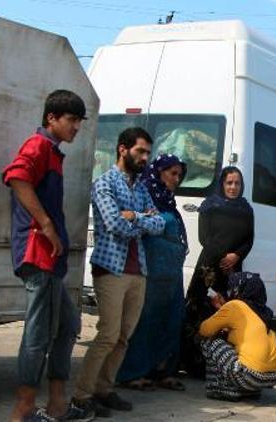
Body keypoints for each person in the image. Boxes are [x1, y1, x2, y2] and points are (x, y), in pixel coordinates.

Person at [1, 90, 87, 422]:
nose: (77, 126)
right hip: (38, 255)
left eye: (80, 120)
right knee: (37, 334)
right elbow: (17, 177)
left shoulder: (53, 152)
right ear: (51, 118)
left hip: (50, 259)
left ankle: (57, 404)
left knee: (67, 326)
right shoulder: (37, 145)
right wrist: (47, 224)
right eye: (72, 119)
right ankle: (23, 410)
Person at [69, 127, 166, 419]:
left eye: (148, 152)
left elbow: (160, 224)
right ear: (123, 149)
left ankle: (103, 389)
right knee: (108, 335)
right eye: (140, 151)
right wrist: (142, 220)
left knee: (124, 336)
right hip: (111, 268)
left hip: (138, 271)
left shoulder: (141, 186)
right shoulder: (105, 184)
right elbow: (115, 224)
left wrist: (134, 216)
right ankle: (81, 395)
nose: (145, 157)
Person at [116, 153, 188, 391]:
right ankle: (135, 372)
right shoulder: (147, 198)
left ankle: (163, 371)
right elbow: (138, 225)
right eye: (172, 173)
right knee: (146, 322)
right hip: (153, 270)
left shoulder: (168, 201)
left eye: (179, 174)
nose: (176, 179)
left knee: (171, 321)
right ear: (158, 173)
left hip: (172, 273)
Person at [182, 166, 255, 377]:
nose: (233, 187)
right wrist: (223, 256)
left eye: (237, 183)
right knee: (200, 310)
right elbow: (204, 238)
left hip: (232, 271)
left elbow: (249, 239)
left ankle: (219, 365)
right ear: (222, 184)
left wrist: (236, 256)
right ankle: (191, 364)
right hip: (209, 268)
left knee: (227, 313)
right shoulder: (209, 206)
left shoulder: (246, 209)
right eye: (229, 183)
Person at [199, 272, 276, 401]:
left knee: (209, 341)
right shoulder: (265, 311)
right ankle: (249, 391)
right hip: (274, 376)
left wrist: (219, 308)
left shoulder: (234, 306)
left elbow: (205, 330)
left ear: (236, 290)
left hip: (250, 376)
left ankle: (220, 389)